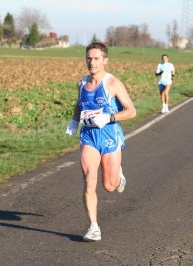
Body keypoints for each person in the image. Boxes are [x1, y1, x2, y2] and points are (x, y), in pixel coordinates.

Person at [66, 42, 136, 242]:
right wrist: (74, 119)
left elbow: (131, 111)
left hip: (109, 136)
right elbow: (80, 104)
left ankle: (118, 175)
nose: (92, 62)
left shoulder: (112, 83)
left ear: (105, 60)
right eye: (89, 58)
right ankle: (93, 227)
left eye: (96, 58)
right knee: (89, 180)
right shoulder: (82, 83)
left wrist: (109, 117)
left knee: (109, 186)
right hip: (88, 136)